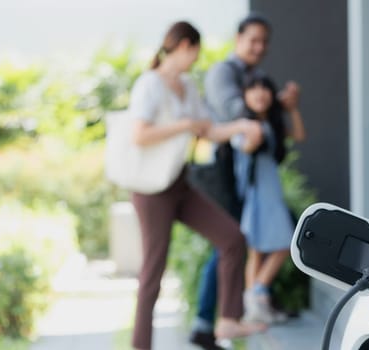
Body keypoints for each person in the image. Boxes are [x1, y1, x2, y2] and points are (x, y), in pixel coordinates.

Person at [127, 21, 265, 350]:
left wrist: (242, 126)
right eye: (196, 51)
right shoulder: (149, 84)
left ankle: (229, 320)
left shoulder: (188, 86)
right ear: (185, 45)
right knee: (153, 272)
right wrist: (184, 125)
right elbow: (139, 135)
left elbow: (209, 130)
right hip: (151, 192)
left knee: (232, 238)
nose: (197, 59)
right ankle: (140, 345)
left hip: (179, 185)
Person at [189, 13, 305, 349]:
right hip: (225, 170)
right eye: (253, 40)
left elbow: (276, 124)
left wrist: (281, 107)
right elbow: (234, 113)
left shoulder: (257, 76)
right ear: (238, 39)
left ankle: (237, 311)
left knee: (236, 242)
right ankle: (214, 318)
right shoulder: (224, 72)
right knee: (229, 241)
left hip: (243, 172)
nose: (259, 47)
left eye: (264, 41)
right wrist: (271, 105)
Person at [235, 75, 305, 322]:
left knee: (264, 248)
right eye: (253, 89)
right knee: (271, 246)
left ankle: (255, 302)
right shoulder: (244, 124)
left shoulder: (270, 124)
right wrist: (252, 133)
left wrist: (291, 108)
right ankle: (257, 297)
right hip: (257, 192)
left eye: (264, 89)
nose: (259, 94)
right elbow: (245, 146)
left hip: (268, 191)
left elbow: (298, 135)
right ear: (244, 95)